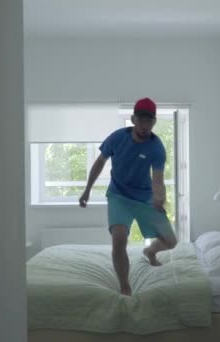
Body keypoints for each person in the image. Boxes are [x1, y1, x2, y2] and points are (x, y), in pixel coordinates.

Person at [79, 97, 177, 296]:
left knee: (171, 241)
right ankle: (125, 286)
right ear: (133, 119)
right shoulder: (117, 138)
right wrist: (87, 189)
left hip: (144, 199)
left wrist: (159, 197)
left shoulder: (156, 147)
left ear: (154, 122)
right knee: (119, 240)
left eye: (149, 121)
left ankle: (150, 251)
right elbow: (99, 163)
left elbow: (158, 179)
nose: (144, 125)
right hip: (119, 196)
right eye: (141, 120)